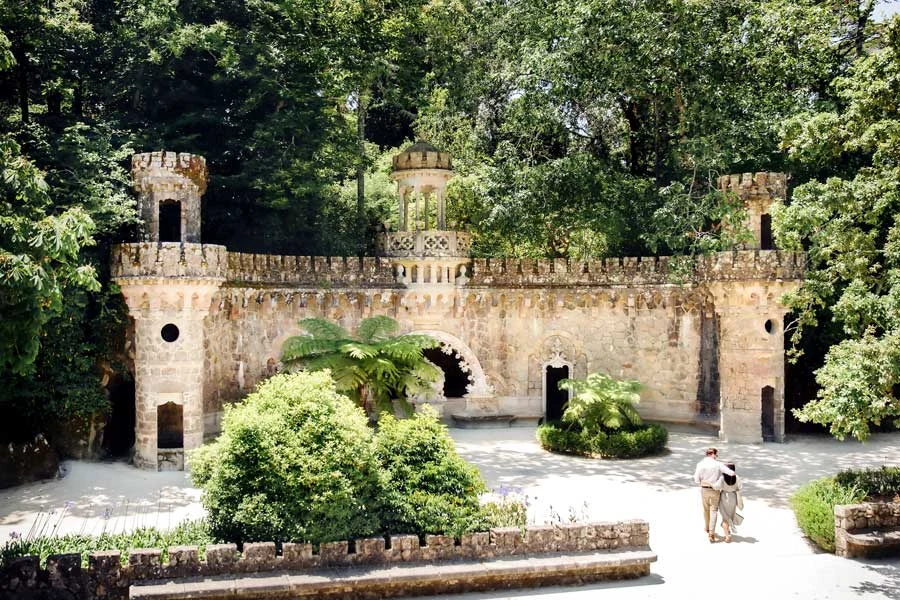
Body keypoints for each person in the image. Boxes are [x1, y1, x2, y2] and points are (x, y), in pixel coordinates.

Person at [692, 447, 735, 542]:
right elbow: (731, 473)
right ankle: (711, 532)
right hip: (715, 491)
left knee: (705, 509)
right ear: (713, 454)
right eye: (716, 455)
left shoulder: (700, 464)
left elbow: (696, 479)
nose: (716, 457)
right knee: (714, 510)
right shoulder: (718, 464)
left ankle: (707, 527)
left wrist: (702, 481)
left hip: (704, 490)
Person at [717, 462, 743, 543]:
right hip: (733, 497)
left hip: (724, 497)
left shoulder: (722, 477)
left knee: (724, 517)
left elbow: (717, 486)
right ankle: (727, 530)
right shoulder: (737, 477)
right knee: (730, 516)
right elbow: (740, 487)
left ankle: (727, 536)